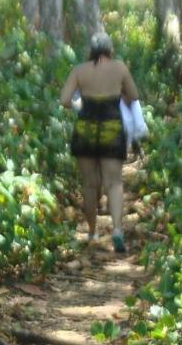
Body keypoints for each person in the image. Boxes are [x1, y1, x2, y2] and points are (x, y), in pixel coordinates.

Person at [59, 31, 140, 253]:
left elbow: (64, 100)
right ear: (109, 49)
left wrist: (79, 105)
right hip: (111, 129)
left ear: (91, 50)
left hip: (85, 129)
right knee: (114, 182)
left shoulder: (79, 71)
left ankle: (93, 232)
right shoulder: (120, 68)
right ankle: (117, 230)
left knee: (89, 183)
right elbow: (133, 94)